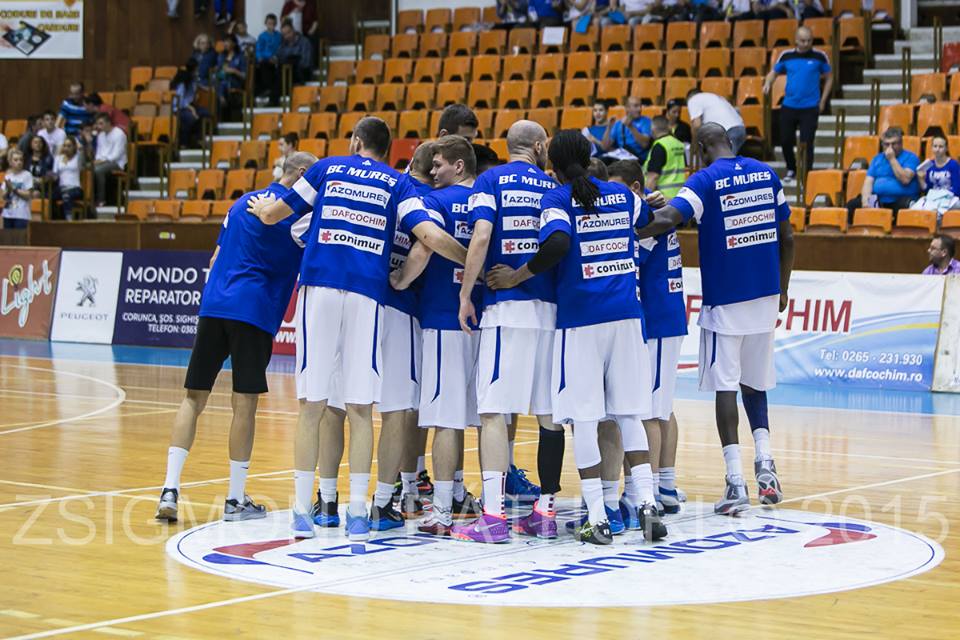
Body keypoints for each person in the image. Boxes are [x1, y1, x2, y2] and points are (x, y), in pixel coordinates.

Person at [247, 117, 468, 541]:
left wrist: (260, 209)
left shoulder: (327, 168)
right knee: (362, 408)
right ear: (387, 149)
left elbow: (275, 214)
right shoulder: (396, 184)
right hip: (369, 294)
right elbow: (428, 236)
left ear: (354, 142)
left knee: (314, 404)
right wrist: (471, 261)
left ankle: (305, 510)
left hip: (320, 289)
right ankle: (360, 513)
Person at [485, 130, 666, 544]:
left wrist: (517, 275)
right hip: (627, 316)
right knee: (629, 415)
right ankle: (647, 504)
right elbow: (649, 220)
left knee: (584, 419)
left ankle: (597, 518)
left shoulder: (557, 198)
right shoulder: (622, 194)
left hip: (581, 319)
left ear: (553, 163)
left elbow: (557, 243)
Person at [639, 122, 794, 516]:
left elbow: (666, 220)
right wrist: (783, 288)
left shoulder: (704, 181)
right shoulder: (767, 174)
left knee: (726, 388)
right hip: (766, 295)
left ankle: (735, 482)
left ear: (700, 147)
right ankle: (766, 464)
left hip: (726, 300)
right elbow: (789, 236)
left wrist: (620, 222)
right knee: (755, 385)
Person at [155, 152, 317, 523]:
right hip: (253, 310)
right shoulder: (299, 215)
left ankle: (169, 488)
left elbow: (215, 259)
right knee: (244, 405)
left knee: (193, 398)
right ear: (303, 174)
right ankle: (234, 499)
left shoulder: (241, 202)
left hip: (214, 305)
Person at [453, 120, 560, 543]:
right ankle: (545, 513)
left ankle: (494, 517)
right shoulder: (553, 186)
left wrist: (466, 294)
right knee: (549, 415)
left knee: (493, 411)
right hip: (550, 312)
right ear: (540, 146)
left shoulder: (490, 180)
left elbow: (481, 236)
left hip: (505, 310)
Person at [385, 136, 485, 536]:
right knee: (472, 417)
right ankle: (460, 493)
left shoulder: (435, 201)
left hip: (444, 316)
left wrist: (401, 279)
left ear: (458, 166)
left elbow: (424, 248)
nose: (433, 172)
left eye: (439, 165)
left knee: (443, 417)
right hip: (483, 317)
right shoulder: (487, 200)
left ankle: (441, 509)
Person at [608, 159, 688, 515]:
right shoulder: (654, 214)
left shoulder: (648, 221)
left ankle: (649, 491)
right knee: (662, 408)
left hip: (657, 321)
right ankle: (666, 485)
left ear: (636, 189)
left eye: (618, 189)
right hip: (666, 319)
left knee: (650, 413)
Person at [764, 27, 832, 184]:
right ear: (796, 40)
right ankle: (791, 168)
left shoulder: (820, 56)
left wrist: (823, 101)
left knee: (807, 142)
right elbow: (773, 73)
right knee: (785, 140)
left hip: (810, 107)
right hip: (789, 105)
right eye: (802, 41)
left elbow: (830, 78)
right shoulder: (786, 55)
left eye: (809, 40)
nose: (806, 44)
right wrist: (768, 83)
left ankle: (807, 173)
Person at [846, 127, 920, 218]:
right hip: (878, 199)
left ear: (901, 144)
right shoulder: (877, 159)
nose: (890, 148)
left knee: (904, 207)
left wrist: (892, 159)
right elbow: (868, 182)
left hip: (900, 199)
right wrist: (866, 202)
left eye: (894, 144)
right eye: (886, 144)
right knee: (851, 205)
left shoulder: (911, 158)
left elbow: (905, 179)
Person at [687, 88, 746, 155]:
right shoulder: (714, 97)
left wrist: (694, 143)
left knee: (725, 160)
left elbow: (696, 125)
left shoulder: (693, 99)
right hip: (740, 129)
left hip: (728, 131)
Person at [644, 116, 687, 199]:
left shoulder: (659, 145)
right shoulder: (679, 144)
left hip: (663, 197)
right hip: (680, 195)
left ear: (653, 129)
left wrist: (646, 198)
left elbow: (653, 177)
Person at [914, 136, 960, 215]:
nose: (937, 149)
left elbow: (957, 189)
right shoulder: (929, 165)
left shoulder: (953, 164)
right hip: (933, 198)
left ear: (946, 148)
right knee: (915, 209)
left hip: (950, 198)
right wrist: (920, 179)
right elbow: (928, 189)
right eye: (935, 146)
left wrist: (941, 195)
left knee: (934, 211)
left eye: (941, 147)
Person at [92, 112, 127, 206]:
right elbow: (99, 153)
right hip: (103, 162)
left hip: (117, 163)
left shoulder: (119, 134)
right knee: (87, 168)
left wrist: (101, 161)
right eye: (97, 124)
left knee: (98, 170)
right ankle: (90, 198)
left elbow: (116, 155)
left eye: (101, 123)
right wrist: (97, 160)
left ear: (108, 123)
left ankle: (101, 200)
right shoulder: (100, 135)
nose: (99, 126)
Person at [171, 60, 208, 148]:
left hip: (190, 105)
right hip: (180, 108)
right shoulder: (183, 82)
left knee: (205, 113)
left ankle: (198, 140)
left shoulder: (193, 80)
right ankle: (184, 143)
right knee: (190, 118)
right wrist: (192, 110)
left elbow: (197, 87)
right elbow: (181, 102)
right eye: (197, 69)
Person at [609, 96, 653, 162]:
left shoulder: (646, 121)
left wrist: (631, 127)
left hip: (639, 160)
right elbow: (607, 147)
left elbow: (644, 144)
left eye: (640, 106)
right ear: (627, 108)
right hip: (621, 159)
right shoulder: (618, 123)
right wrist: (609, 127)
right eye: (636, 106)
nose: (639, 109)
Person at [1, 150, 34, 229]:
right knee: (7, 236)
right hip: (7, 214)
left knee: (20, 236)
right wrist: (8, 190)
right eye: (16, 160)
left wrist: (14, 189)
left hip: (22, 215)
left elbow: (28, 195)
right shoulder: (8, 176)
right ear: (10, 162)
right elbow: (3, 196)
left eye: (21, 160)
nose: (19, 162)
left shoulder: (27, 175)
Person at [53, 136, 83, 221]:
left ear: (74, 147)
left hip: (75, 188)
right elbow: (55, 174)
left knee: (66, 195)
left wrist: (81, 148)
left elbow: (86, 157)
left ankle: (69, 220)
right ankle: (54, 220)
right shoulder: (58, 158)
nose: (66, 148)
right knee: (50, 195)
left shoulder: (78, 157)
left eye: (69, 146)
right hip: (61, 187)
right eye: (65, 146)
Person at [215, 35, 247, 115]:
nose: (225, 44)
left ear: (234, 44)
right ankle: (221, 99)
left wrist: (234, 71)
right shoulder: (221, 56)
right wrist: (220, 73)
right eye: (224, 41)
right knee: (218, 83)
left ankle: (221, 97)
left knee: (223, 84)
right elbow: (218, 74)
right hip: (223, 81)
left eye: (228, 41)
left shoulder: (240, 57)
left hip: (235, 82)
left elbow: (244, 76)